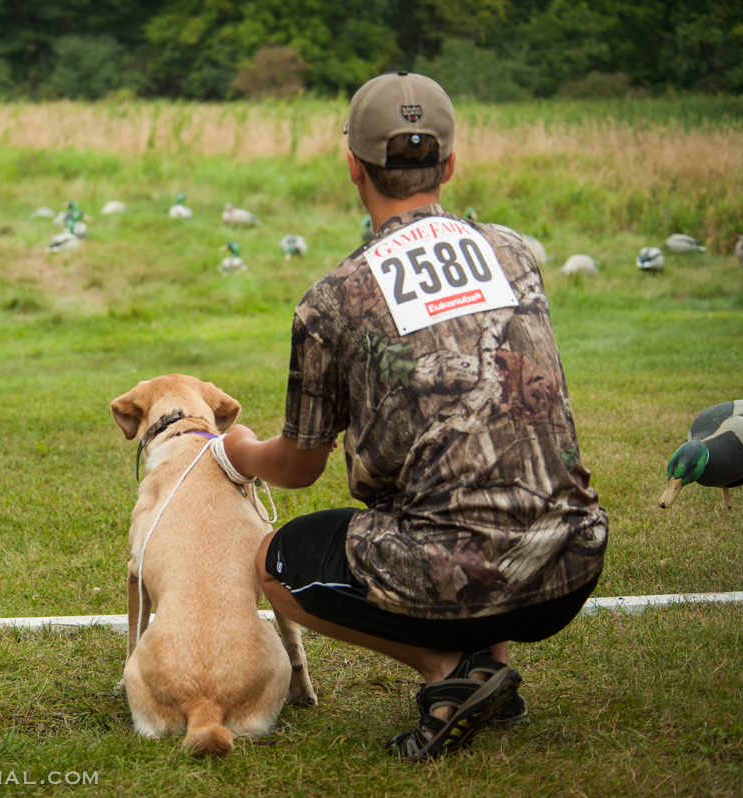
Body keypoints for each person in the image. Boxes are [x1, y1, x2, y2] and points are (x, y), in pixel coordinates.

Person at [221, 72, 608, 762]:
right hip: (572, 563)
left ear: (353, 165)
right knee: (470, 473)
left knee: (274, 565)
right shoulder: (514, 252)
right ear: (449, 164)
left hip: (460, 575)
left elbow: (299, 467)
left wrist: (239, 450)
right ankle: (494, 671)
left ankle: (451, 674)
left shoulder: (332, 300)